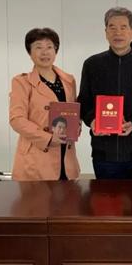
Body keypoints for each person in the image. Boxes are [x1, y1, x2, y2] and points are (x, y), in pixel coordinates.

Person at [78, 7, 132, 179]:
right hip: (104, 152)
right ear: (105, 32)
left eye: (123, 27)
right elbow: (84, 101)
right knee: (105, 197)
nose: (117, 32)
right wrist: (92, 120)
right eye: (112, 27)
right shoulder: (92, 64)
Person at [9, 28, 80, 181]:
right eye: (38, 47)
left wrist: (76, 126)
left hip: (66, 158)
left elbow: (74, 112)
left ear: (56, 51)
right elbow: (17, 120)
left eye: (49, 47)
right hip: (37, 158)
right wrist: (47, 138)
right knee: (38, 197)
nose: (44, 52)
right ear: (29, 52)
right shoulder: (21, 82)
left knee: (68, 196)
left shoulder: (69, 81)